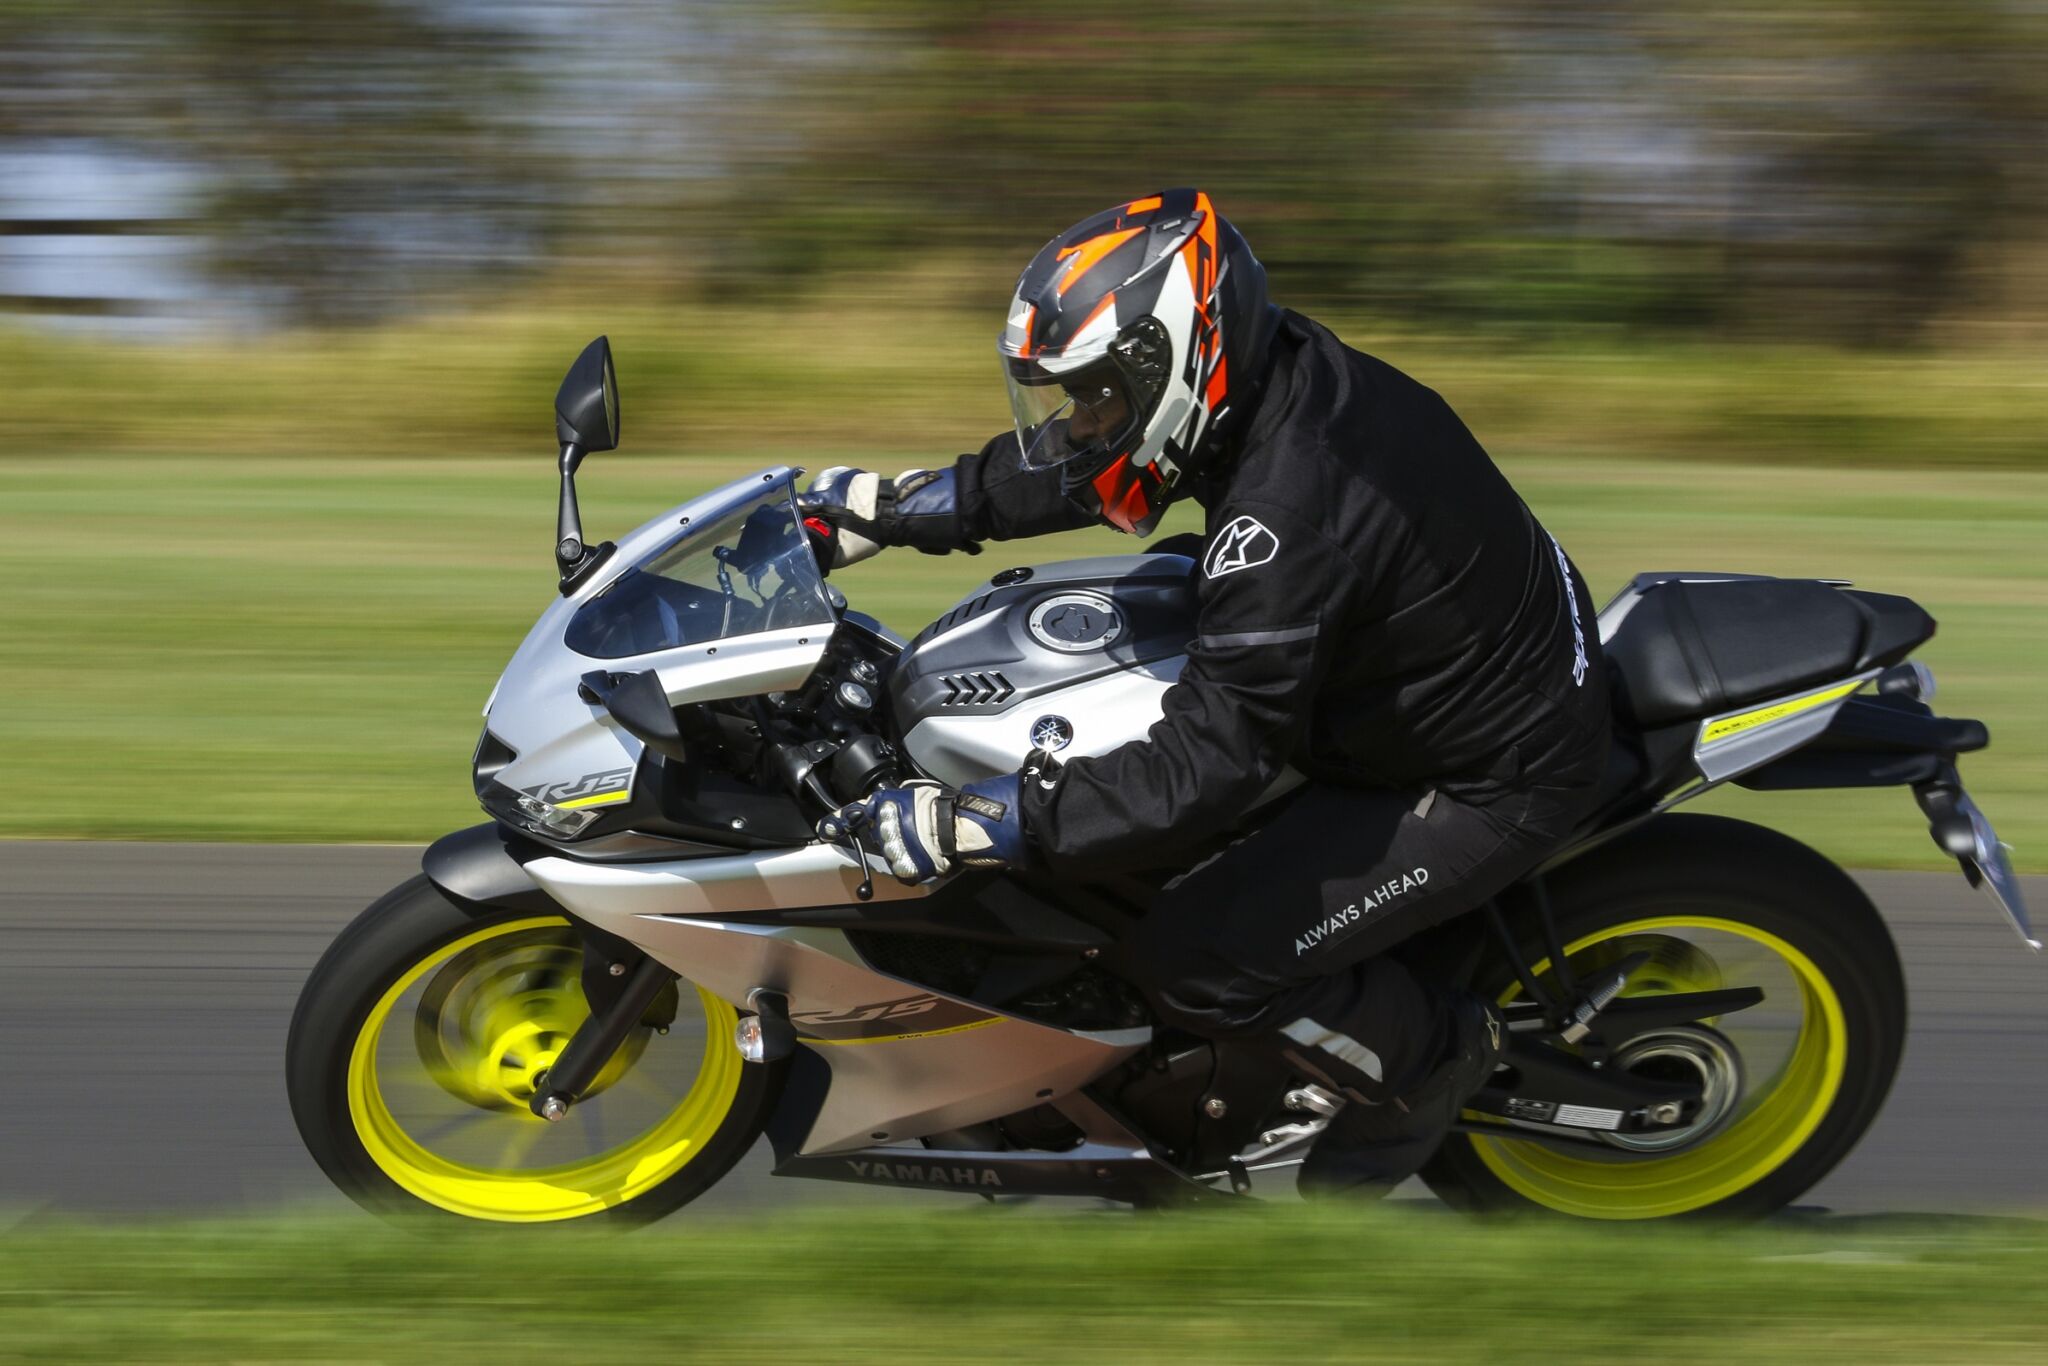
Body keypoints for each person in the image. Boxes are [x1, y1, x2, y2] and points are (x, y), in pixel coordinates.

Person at [804, 189, 1610, 1196]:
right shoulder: (1262, 378)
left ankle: (1427, 1059)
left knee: (1195, 957)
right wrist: (904, 507)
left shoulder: (1283, 517)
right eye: (1074, 395)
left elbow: (1210, 764)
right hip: (1438, 660)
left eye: (1095, 392)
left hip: (1492, 768)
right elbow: (1105, 454)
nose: (1080, 418)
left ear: (1174, 360)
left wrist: (984, 819)